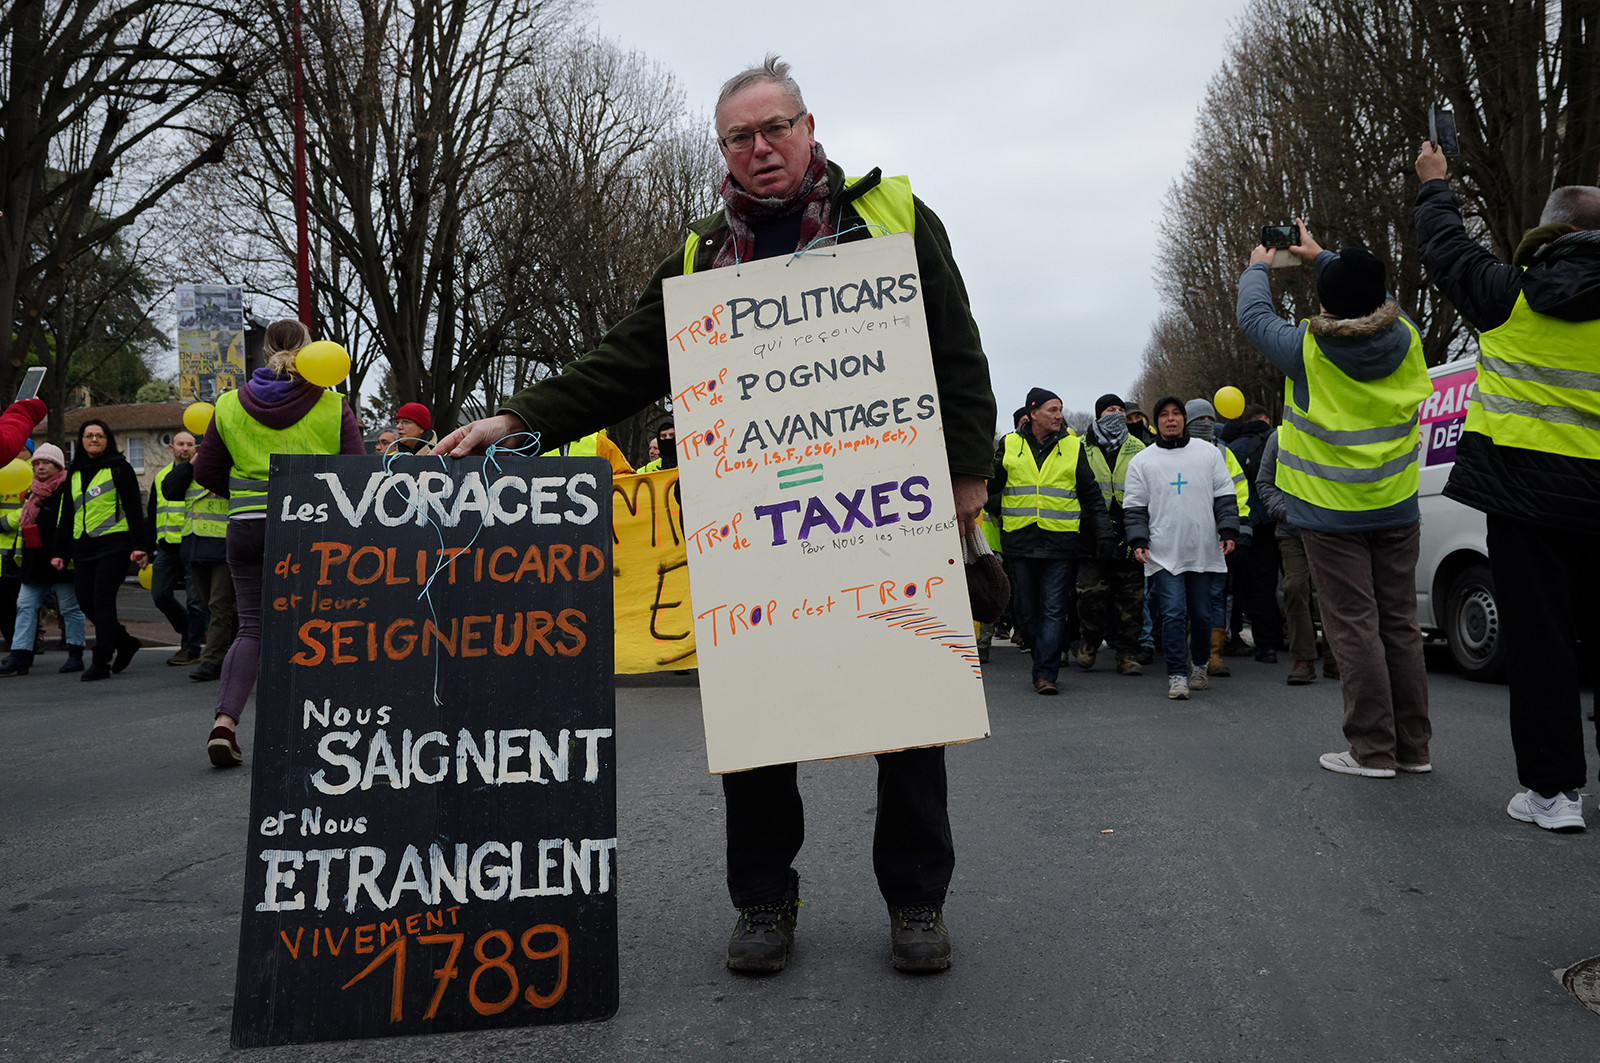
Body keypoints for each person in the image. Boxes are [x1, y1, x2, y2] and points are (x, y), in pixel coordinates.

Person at [434, 56, 996, 974]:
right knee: (761, 718)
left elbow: (956, 348)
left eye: (776, 128)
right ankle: (765, 900)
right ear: (723, 152)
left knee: (905, 706)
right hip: (755, 530)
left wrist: (968, 474)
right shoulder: (700, 257)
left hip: (883, 511)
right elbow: (624, 360)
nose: (762, 148)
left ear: (809, 129)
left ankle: (917, 900)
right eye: (741, 136)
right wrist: (518, 417)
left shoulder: (892, 216)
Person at [1416, 146, 1600, 826]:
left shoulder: (1509, 298)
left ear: (1549, 233)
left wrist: (1436, 186)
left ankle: (1554, 794)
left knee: (1543, 648)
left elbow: (1445, 251)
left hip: (1529, 503)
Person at [1237, 219, 1431, 779]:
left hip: (1328, 511)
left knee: (1353, 626)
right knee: (1399, 624)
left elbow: (1253, 317)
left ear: (1329, 302)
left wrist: (1259, 264)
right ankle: (1413, 748)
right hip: (1396, 503)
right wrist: (1324, 258)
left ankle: (1371, 750)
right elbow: (1373, 298)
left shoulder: (1309, 350)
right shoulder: (1408, 337)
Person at [194, 319, 366, 767]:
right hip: (314, 530)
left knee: (252, 627)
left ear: (263, 351)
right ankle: (320, 733)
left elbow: (205, 472)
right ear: (310, 351)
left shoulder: (228, 405)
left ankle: (225, 724)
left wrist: (244, 491)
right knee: (319, 625)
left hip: (247, 526)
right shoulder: (332, 406)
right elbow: (357, 472)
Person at [987, 388, 1112, 696]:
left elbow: (1091, 496)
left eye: (1060, 409)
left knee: (1055, 610)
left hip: (1061, 544)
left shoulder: (1072, 446)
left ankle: (1045, 674)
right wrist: (997, 508)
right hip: (1020, 542)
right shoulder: (1010, 444)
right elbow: (989, 487)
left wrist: (1105, 534)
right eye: (1052, 410)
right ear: (1032, 414)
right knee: (1027, 614)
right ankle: (1039, 648)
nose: (1059, 415)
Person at [1123, 397, 1239, 699]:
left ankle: (1199, 665)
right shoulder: (1143, 461)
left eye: (1176, 414)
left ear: (1184, 419)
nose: (1170, 419)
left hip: (1202, 548)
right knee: (1173, 612)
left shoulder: (1208, 453)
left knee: (1201, 614)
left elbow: (1225, 496)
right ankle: (1177, 675)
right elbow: (1135, 507)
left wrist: (1228, 530)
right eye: (1164, 415)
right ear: (1156, 421)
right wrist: (1138, 540)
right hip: (1163, 550)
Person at [49, 419, 147, 681]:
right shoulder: (75, 472)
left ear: (108, 440)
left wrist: (140, 546)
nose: (94, 440)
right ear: (81, 440)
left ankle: (101, 660)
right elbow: (67, 515)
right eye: (88, 435)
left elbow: (134, 509)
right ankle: (125, 642)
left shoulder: (120, 468)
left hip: (114, 545)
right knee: (85, 601)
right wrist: (59, 551)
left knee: (102, 602)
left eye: (100, 435)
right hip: (82, 547)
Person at [1254, 427, 1338, 685]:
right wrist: (1285, 511)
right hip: (1292, 531)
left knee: (1332, 592)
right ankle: (1303, 660)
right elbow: (1264, 482)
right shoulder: (1279, 437)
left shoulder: (1329, 432)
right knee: (1294, 587)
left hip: (1331, 529)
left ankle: (1336, 657)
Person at [1073, 393, 1146, 676]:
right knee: (1089, 594)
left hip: (1128, 529)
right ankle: (1089, 642)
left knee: (1130, 599)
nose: (1114, 413)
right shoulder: (1081, 446)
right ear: (1098, 414)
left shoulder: (1137, 447)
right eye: (1108, 410)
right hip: (1092, 531)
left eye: (1119, 409)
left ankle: (1127, 653)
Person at [0, 444, 85, 676]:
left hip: (61, 561)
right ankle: (20, 656)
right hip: (34, 560)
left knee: (69, 608)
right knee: (25, 607)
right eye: (37, 463)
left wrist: (65, 553)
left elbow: (71, 526)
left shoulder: (68, 490)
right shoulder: (32, 492)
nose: (40, 467)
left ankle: (76, 653)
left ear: (58, 465)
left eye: (46, 463)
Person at [1182, 398, 1252, 678]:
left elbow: (1239, 494)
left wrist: (1236, 529)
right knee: (1183, 597)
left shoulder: (1224, 454)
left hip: (1216, 540)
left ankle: (1213, 655)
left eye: (1210, 419)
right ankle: (1185, 650)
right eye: (1199, 420)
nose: (1206, 424)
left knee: (1215, 596)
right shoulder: (1173, 452)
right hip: (1184, 539)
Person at [160, 436, 236, 682]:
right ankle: (244, 642)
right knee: (211, 606)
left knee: (219, 604)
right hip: (195, 545)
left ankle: (212, 660)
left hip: (224, 545)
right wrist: (192, 465)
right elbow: (169, 489)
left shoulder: (233, 465)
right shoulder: (192, 468)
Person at [1226, 404, 1283, 665]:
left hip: (1241, 524)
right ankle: (1268, 644)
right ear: (1266, 419)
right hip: (1272, 522)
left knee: (1236, 585)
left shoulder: (1232, 449)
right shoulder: (1277, 442)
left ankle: (1232, 635)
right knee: (1266, 585)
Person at [147, 431, 207, 666]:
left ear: (195, 449)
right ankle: (190, 631)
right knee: (160, 594)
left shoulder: (201, 474)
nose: (185, 448)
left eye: (189, 445)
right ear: (171, 448)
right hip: (167, 547)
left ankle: (191, 647)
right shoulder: (161, 475)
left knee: (196, 600)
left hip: (193, 543)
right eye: (180, 444)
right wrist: (144, 546)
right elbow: (152, 512)